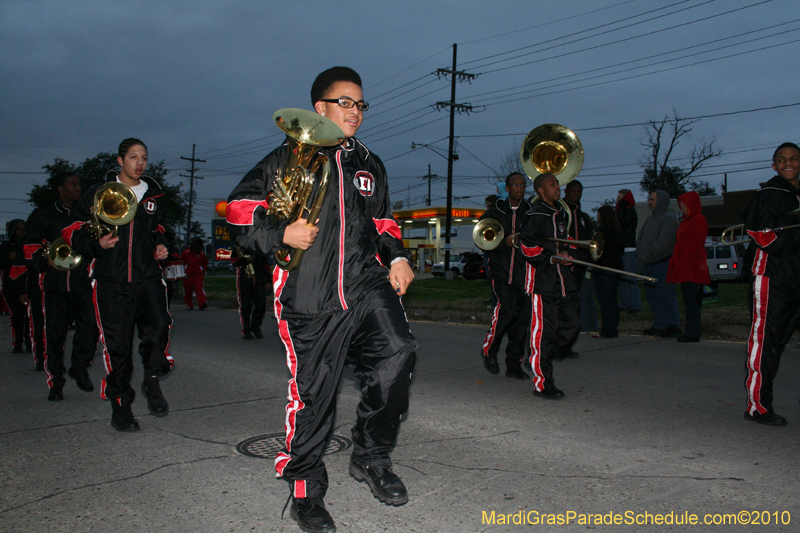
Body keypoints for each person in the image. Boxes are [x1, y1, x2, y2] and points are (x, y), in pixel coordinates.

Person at [226, 66, 417, 533]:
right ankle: (306, 491)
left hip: (365, 285)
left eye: (360, 104)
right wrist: (279, 231)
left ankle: (371, 457)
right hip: (308, 295)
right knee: (315, 396)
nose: (355, 112)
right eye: (345, 102)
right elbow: (237, 210)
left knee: (399, 351)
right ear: (320, 108)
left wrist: (396, 257)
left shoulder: (369, 163)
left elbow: (384, 224)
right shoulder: (286, 158)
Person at [62, 138, 173, 432]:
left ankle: (152, 380)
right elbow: (71, 229)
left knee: (160, 324)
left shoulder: (153, 195)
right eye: (133, 157)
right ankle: (121, 407)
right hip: (111, 281)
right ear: (120, 160)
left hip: (147, 276)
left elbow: (159, 228)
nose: (140, 163)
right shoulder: (99, 193)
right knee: (118, 347)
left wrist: (161, 245)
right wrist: (95, 244)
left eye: (144, 158)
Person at [24, 172, 99, 400]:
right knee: (54, 336)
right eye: (73, 185)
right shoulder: (44, 216)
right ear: (60, 189)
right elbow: (29, 247)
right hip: (55, 284)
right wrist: (44, 260)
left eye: (79, 184)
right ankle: (56, 382)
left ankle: (80, 366)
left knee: (91, 328)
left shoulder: (87, 215)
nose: (78, 188)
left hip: (82, 281)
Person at [742, 142, 800, 426]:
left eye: (793, 159)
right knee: (767, 342)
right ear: (774, 165)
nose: (788, 163)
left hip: (797, 276)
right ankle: (758, 406)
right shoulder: (769, 195)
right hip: (773, 278)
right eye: (781, 160)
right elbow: (762, 235)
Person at [519, 173, 580, 400]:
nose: (558, 187)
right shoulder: (534, 215)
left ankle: (535, 358)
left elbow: (565, 243)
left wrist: (567, 253)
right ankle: (543, 383)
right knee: (544, 334)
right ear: (541, 191)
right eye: (552, 184)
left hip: (564, 282)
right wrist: (550, 259)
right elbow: (527, 247)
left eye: (557, 183)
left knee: (573, 325)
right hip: (542, 284)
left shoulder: (561, 213)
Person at [479, 172, 532, 380]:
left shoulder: (530, 211)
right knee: (507, 310)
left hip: (524, 274)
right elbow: (482, 238)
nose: (519, 188)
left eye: (522, 184)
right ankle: (489, 351)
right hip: (501, 272)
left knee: (522, 321)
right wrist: (505, 243)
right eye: (514, 185)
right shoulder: (496, 211)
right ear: (507, 188)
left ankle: (514, 364)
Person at [666, 191, 711, 343]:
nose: (682, 207)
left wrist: (683, 256)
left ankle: (694, 331)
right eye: (680, 205)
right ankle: (692, 330)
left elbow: (696, 243)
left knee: (692, 301)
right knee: (688, 300)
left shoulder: (699, 219)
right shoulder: (686, 221)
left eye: (684, 204)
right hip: (686, 266)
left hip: (693, 266)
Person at [636, 190, 681, 337]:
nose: (649, 201)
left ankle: (673, 324)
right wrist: (641, 255)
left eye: (652, 199)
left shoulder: (669, 218)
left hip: (662, 264)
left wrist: (648, 255)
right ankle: (660, 324)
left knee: (665, 295)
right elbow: (641, 237)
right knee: (652, 296)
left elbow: (663, 242)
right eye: (649, 199)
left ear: (661, 200)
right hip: (649, 264)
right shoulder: (650, 219)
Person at [562, 180, 594, 352]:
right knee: (561, 307)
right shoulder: (560, 212)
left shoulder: (583, 217)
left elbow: (589, 242)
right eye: (573, 190)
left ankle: (566, 345)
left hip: (578, 268)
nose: (576, 193)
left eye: (579, 191)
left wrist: (586, 258)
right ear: (566, 191)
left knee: (573, 308)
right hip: (563, 266)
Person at [592, 205, 624, 339]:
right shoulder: (616, 231)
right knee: (612, 300)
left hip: (604, 269)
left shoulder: (602, 231)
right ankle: (612, 328)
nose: (597, 218)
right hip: (616, 269)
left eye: (599, 216)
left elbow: (596, 252)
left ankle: (607, 330)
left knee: (605, 301)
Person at [0, 219, 31, 353]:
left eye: (24, 229)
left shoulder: (28, 245)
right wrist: (8, 258)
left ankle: (30, 342)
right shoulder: (6, 247)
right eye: (19, 229)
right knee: (16, 316)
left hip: (27, 285)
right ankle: (17, 343)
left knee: (29, 317)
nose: (22, 232)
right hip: (11, 286)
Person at [231, 247, 269, 340]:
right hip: (244, 279)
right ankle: (246, 330)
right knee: (245, 306)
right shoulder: (239, 246)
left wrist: (268, 280)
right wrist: (245, 260)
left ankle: (256, 327)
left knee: (261, 304)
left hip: (259, 279)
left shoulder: (260, 247)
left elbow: (265, 265)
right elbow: (234, 262)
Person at [616, 189, 642, 312]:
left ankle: (635, 304)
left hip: (628, 248)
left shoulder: (630, 211)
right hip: (621, 247)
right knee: (621, 278)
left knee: (630, 277)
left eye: (620, 198)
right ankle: (625, 303)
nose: (617, 200)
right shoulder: (620, 211)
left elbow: (624, 225)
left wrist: (620, 210)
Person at [181, 237, 208, 310]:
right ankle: (189, 305)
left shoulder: (201, 254)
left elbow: (205, 262)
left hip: (198, 274)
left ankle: (202, 303)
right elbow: (182, 262)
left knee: (199, 289)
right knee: (187, 290)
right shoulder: (185, 253)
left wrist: (204, 270)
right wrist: (183, 273)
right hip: (187, 274)